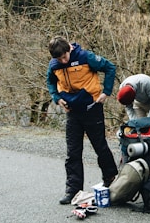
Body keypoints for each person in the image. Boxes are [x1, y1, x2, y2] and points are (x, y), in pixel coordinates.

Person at [46, 36, 118, 205]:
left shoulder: (86, 57)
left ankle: (111, 180)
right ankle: (73, 190)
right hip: (72, 111)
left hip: (92, 108)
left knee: (100, 146)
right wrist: (56, 98)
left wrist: (106, 92)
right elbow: (50, 81)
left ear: (69, 49)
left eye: (65, 57)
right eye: (59, 59)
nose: (63, 61)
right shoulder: (54, 65)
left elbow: (110, 67)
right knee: (73, 152)